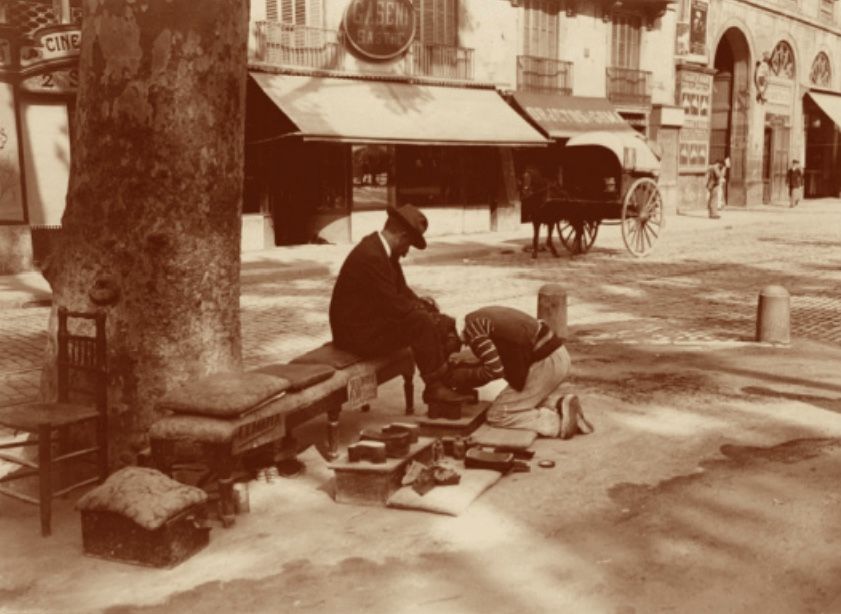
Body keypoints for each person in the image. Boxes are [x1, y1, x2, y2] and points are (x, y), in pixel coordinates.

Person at [329, 204, 470, 405]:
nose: (406, 252)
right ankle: (435, 388)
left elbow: (402, 291)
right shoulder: (372, 256)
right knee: (421, 322)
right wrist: (427, 316)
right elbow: (393, 305)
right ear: (402, 236)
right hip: (355, 335)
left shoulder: (383, 251)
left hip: (368, 325)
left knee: (438, 320)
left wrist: (427, 307)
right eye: (409, 245)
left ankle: (448, 380)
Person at [446, 306, 591, 440]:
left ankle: (559, 422)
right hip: (558, 355)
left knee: (498, 414)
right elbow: (502, 354)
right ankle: (558, 405)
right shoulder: (479, 317)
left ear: (452, 336)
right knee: (518, 400)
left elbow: (496, 370)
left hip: (546, 363)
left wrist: (463, 376)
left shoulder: (473, 330)